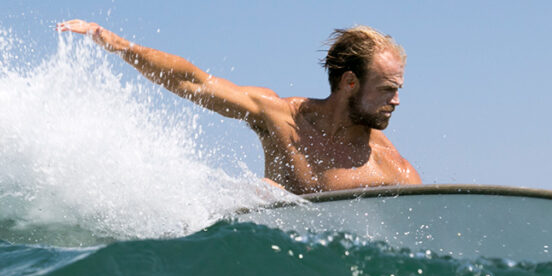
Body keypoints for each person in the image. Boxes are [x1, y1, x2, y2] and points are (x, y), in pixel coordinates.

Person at [56, 20, 421, 194]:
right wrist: (118, 44)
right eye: (387, 89)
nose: (397, 100)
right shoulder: (281, 117)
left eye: (398, 89)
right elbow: (195, 81)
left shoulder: (392, 168)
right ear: (349, 82)